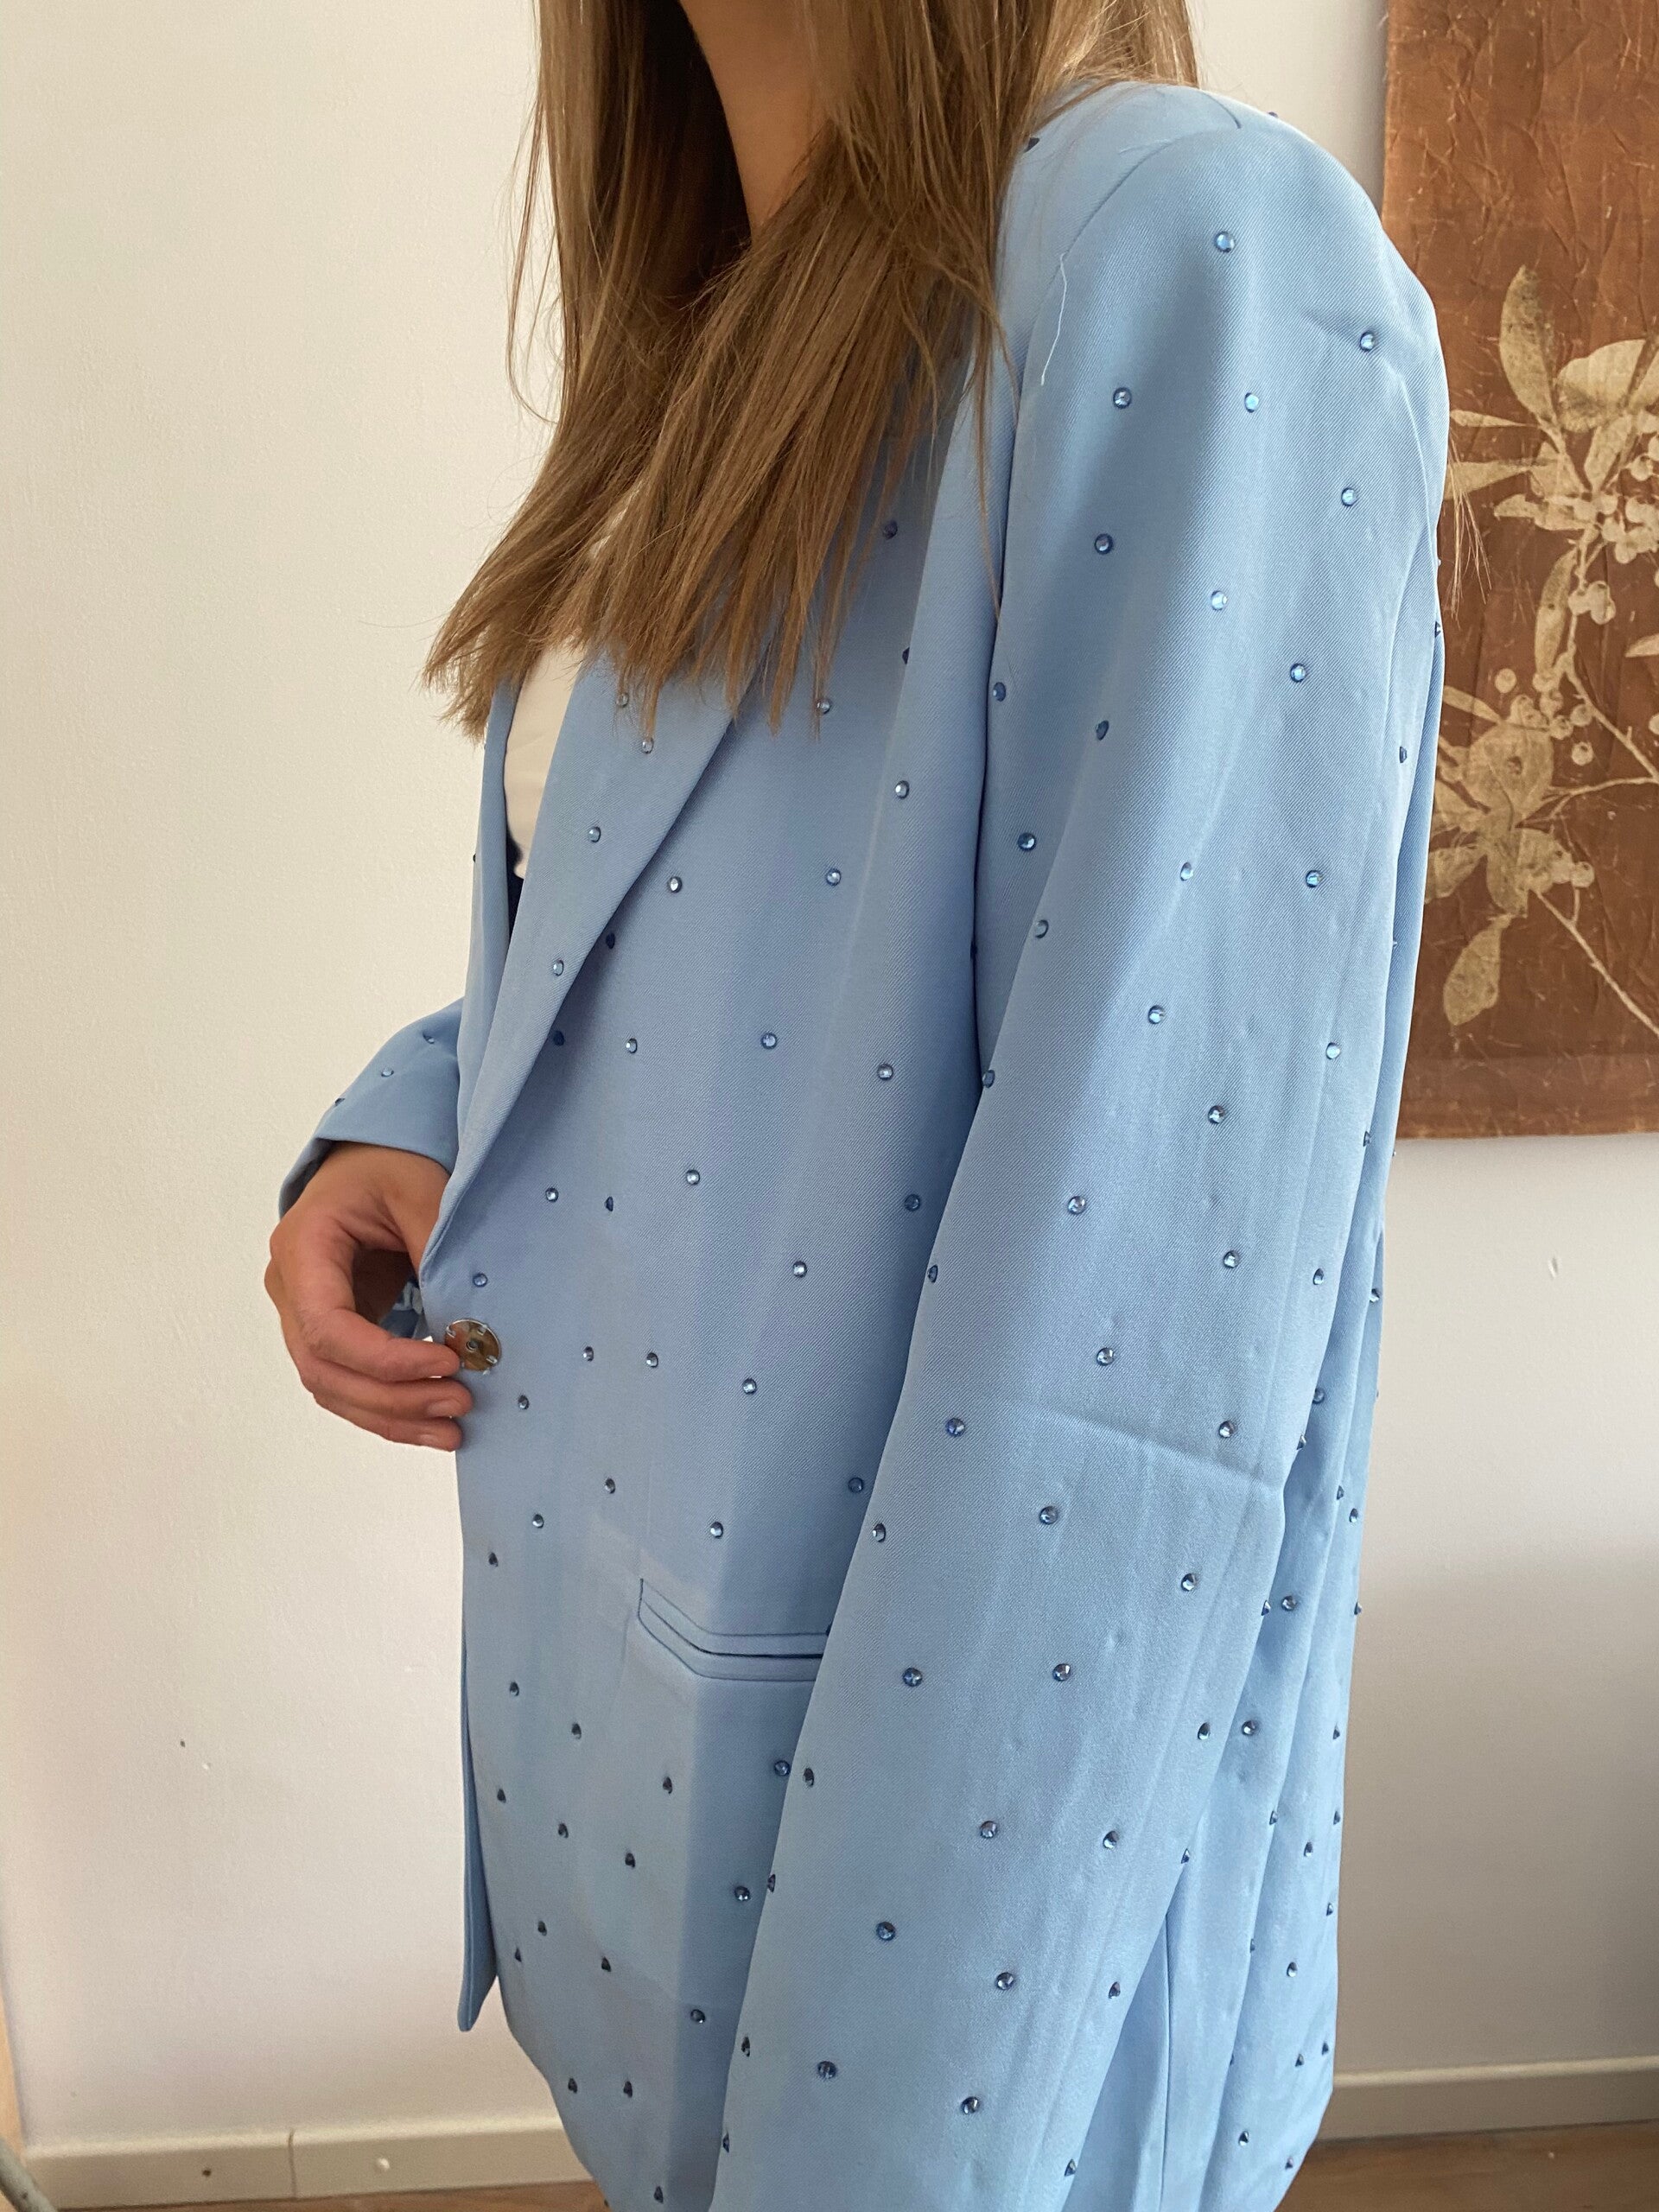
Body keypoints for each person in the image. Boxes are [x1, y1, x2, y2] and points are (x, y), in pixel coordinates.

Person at [265, 3, 1450, 2207]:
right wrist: (409, 1107)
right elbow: (706, 899)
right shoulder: (733, 306)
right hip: (648, 1820)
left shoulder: (1188, 253)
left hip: (916, 1961)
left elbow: (1141, 1334)